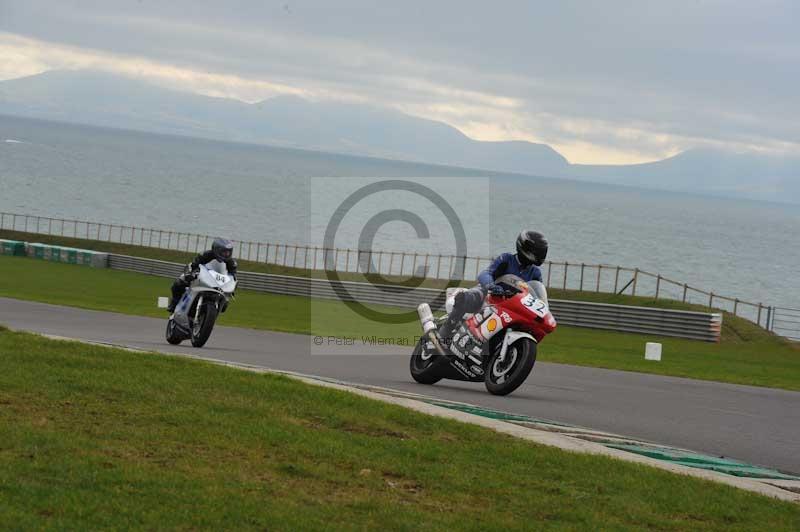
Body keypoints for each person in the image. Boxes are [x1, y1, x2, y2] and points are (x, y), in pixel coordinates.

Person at [437, 230, 548, 343]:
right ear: (525, 247)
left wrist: (542, 306)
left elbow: (536, 292)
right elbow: (486, 273)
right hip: (491, 294)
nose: (539, 255)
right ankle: (444, 332)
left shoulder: (535, 273)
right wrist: (491, 285)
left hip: (514, 305)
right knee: (468, 297)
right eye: (537, 251)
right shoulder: (506, 259)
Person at [168, 237, 237, 312]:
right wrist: (191, 273)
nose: (227, 254)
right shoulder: (205, 254)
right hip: (203, 277)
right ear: (217, 249)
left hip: (218, 283)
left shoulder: (232, 263)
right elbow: (193, 265)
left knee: (225, 302)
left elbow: (233, 277)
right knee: (178, 283)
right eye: (224, 252)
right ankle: (174, 303)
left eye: (228, 252)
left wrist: (231, 288)